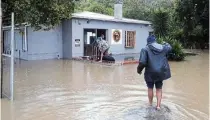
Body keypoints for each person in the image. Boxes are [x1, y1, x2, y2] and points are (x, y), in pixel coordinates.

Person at [137, 35, 172, 110]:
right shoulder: (163, 47)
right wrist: (165, 43)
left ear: (148, 42)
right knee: (159, 88)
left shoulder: (145, 49)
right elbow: (169, 47)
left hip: (150, 72)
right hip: (161, 72)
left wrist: (139, 70)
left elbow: (142, 62)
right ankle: (158, 106)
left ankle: (150, 104)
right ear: (155, 41)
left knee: (150, 88)